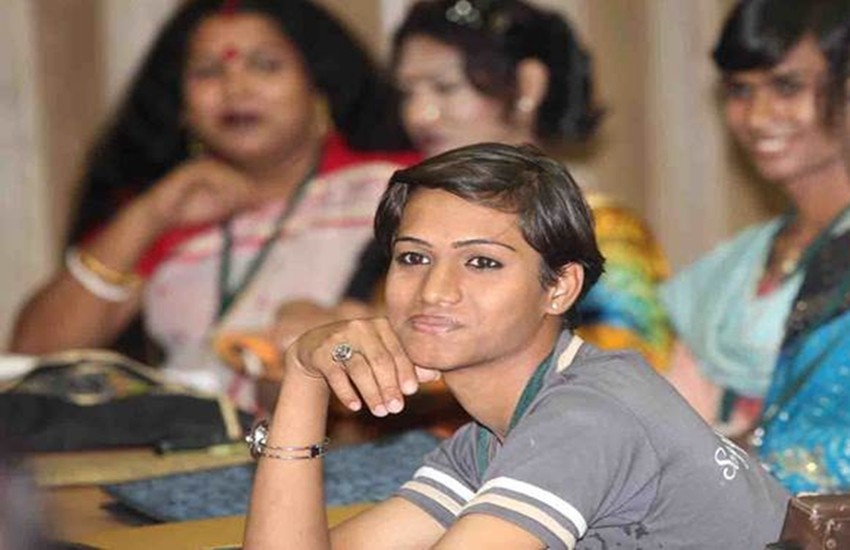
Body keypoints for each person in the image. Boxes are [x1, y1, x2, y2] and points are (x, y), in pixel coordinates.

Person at [243, 143, 788, 550]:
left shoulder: (585, 418)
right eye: (414, 257)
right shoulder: (493, 436)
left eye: (482, 262)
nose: (434, 290)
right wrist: (304, 376)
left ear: (559, 288)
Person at [10, 0, 416, 412]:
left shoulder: (393, 189)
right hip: (184, 440)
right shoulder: (175, 212)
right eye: (207, 72)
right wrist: (150, 214)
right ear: (180, 106)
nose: (235, 88)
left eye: (265, 65)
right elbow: (33, 357)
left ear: (319, 86)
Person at [269, 0, 672, 372]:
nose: (419, 114)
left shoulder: (599, 230)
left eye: (445, 88)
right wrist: (320, 331)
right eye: (408, 93)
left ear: (528, 86)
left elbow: (624, 373)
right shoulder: (403, 227)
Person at [660, 0, 850, 493]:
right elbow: (674, 429)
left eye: (787, 86)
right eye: (741, 90)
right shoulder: (732, 267)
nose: (759, 117)